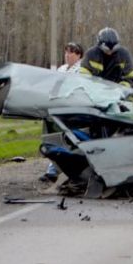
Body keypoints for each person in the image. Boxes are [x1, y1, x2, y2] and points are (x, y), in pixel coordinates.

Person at [41, 42, 85, 183]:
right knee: (54, 138)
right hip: (57, 108)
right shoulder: (61, 69)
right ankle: (53, 169)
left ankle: (71, 170)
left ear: (78, 55)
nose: (67, 56)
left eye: (70, 53)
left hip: (73, 110)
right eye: (66, 52)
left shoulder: (82, 70)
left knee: (70, 139)